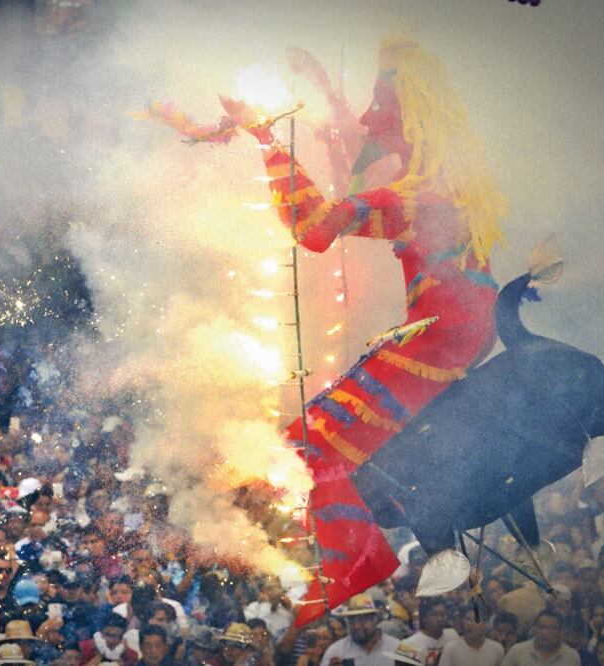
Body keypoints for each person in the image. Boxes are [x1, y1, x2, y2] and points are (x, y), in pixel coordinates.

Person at [223, 35, 506, 624]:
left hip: (439, 332)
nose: (367, 115)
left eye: (380, 102)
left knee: (305, 442)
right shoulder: (446, 183)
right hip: (456, 328)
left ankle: (358, 564)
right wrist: (321, 89)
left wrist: (267, 138)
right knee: (313, 437)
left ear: (411, 112)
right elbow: (351, 165)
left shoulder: (422, 194)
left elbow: (316, 227)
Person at [320, 594, 401, 666]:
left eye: (362, 620)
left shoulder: (396, 649)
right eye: (352, 620)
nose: (357, 626)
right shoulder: (336, 651)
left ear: (375, 619)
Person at [501, 610, 581, 666]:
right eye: (541, 627)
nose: (544, 632)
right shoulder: (517, 651)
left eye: (551, 628)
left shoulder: (571, 657)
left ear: (560, 632)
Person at [438, 606, 503, 666]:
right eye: (467, 619)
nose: (469, 624)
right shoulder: (451, 648)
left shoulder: (496, 649)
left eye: (475, 620)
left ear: (485, 624)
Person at [401, 599, 457, 665]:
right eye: (434, 615)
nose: (439, 619)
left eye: (442, 614)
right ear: (424, 617)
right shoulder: (408, 644)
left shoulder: (452, 635)